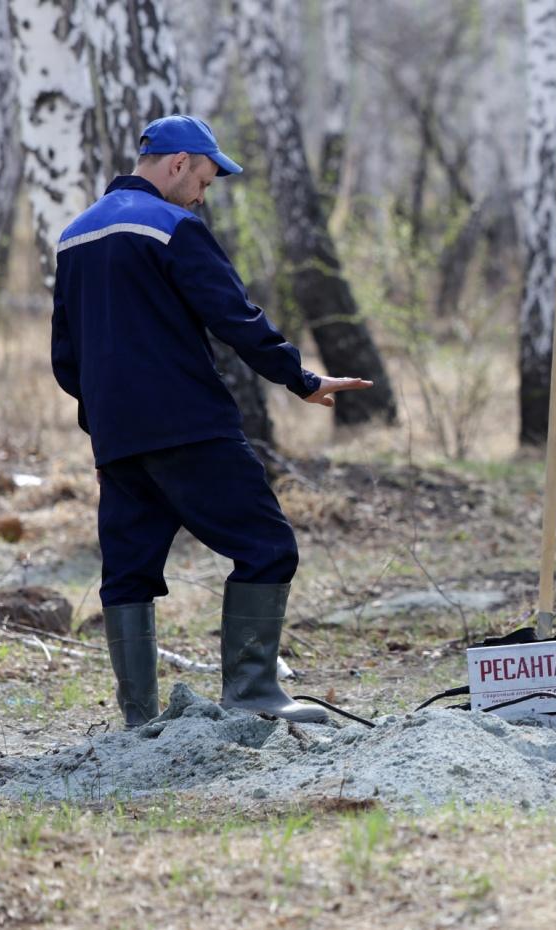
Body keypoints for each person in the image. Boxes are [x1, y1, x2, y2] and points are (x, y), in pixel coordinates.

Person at [51, 115, 372, 727]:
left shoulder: (74, 236)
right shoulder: (175, 227)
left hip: (118, 438)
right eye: (205, 177)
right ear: (178, 164)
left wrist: (105, 415)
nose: (204, 193)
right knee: (267, 547)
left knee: (128, 572)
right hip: (191, 425)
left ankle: (140, 719)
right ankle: (253, 696)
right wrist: (299, 379)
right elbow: (236, 318)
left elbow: (66, 357)